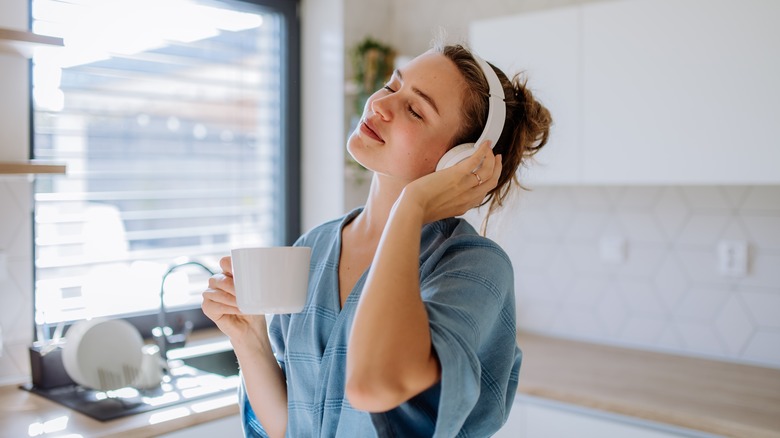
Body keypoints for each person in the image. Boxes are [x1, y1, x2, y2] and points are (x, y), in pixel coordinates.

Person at [202, 42, 551, 437]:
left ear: (461, 160)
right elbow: (295, 427)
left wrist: (412, 205)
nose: (380, 105)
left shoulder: (471, 266)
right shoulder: (312, 248)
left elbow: (376, 386)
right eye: (391, 87)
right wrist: (250, 341)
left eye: (415, 110)